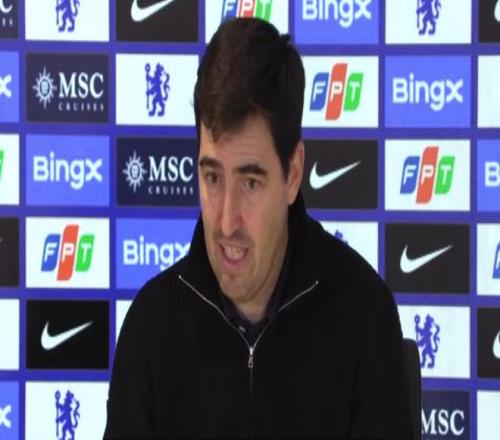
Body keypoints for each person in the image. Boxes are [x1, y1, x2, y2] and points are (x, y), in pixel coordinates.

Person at [104, 18, 412, 439]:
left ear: (293, 173)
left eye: (250, 183)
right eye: (213, 177)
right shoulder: (152, 325)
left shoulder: (363, 313)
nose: (226, 221)